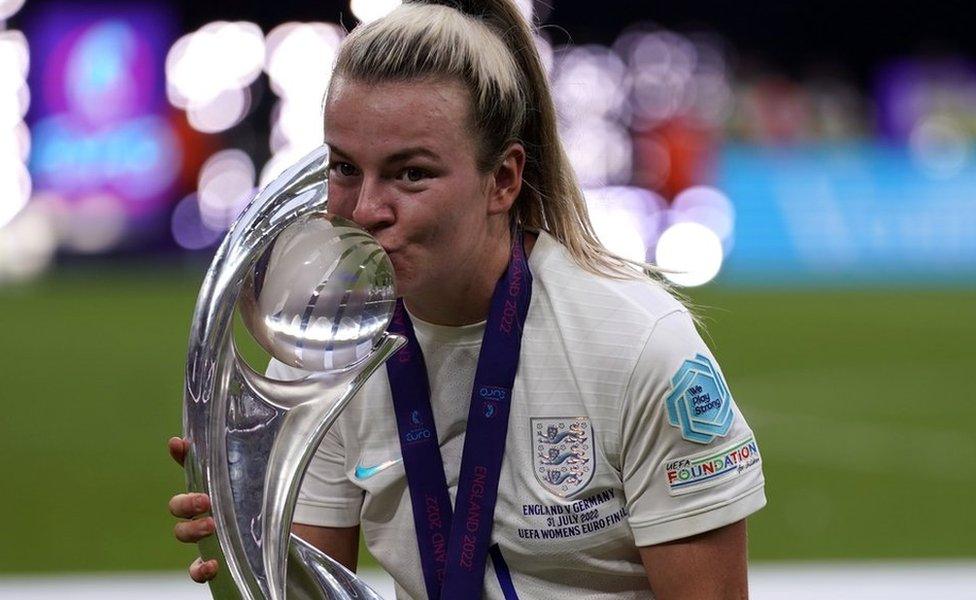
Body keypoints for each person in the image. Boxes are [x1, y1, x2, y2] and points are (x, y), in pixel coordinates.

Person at [168, 1, 766, 598]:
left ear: (502, 180)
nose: (366, 210)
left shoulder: (637, 348)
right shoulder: (320, 350)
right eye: (346, 168)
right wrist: (249, 554)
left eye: (411, 174)